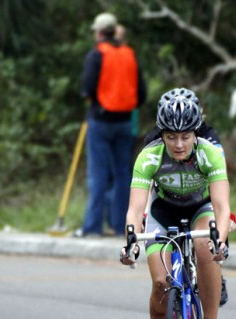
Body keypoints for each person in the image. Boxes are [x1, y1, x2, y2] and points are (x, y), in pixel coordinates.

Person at [120, 93, 231, 319]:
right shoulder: (149, 156)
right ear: (162, 135)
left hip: (200, 209)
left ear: (196, 133)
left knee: (206, 247)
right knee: (160, 284)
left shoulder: (210, 153)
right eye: (171, 137)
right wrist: (131, 242)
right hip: (163, 212)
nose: (179, 144)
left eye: (185, 136)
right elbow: (135, 210)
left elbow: (222, 207)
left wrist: (220, 239)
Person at [143, 87, 231, 307]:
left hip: (202, 195)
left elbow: (219, 180)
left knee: (208, 239)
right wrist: (144, 214)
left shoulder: (208, 135)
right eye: (172, 135)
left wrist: (227, 218)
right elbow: (148, 181)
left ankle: (215, 270)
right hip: (166, 198)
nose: (178, 141)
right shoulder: (155, 138)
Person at [76, 12, 147, 237]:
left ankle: (92, 227)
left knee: (98, 174)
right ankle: (120, 226)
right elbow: (142, 93)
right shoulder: (129, 54)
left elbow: (87, 88)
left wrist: (95, 100)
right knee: (122, 175)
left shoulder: (97, 54)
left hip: (101, 120)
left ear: (98, 32)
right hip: (125, 122)